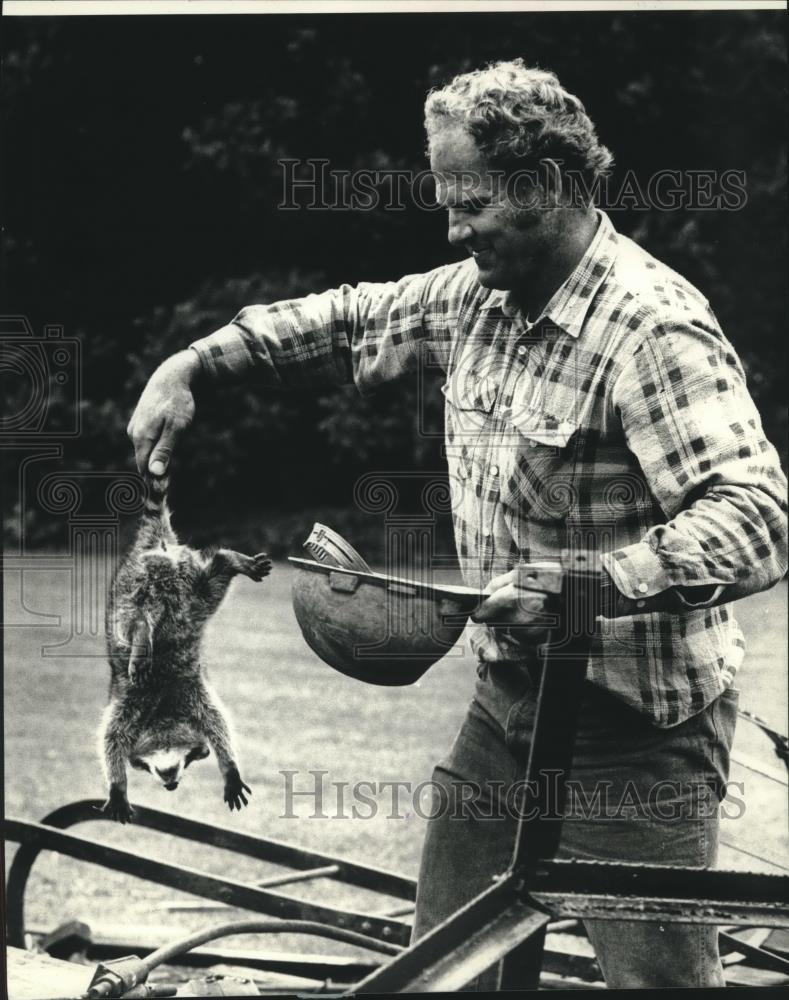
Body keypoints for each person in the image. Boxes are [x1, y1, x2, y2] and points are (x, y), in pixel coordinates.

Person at [128, 59, 787, 988]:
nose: (452, 226)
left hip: (636, 729)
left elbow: (756, 516)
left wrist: (590, 587)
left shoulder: (650, 328)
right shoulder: (474, 299)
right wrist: (195, 363)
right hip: (509, 707)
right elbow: (343, 318)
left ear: (547, 186)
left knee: (662, 987)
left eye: (468, 201)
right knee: (445, 972)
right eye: (446, 200)